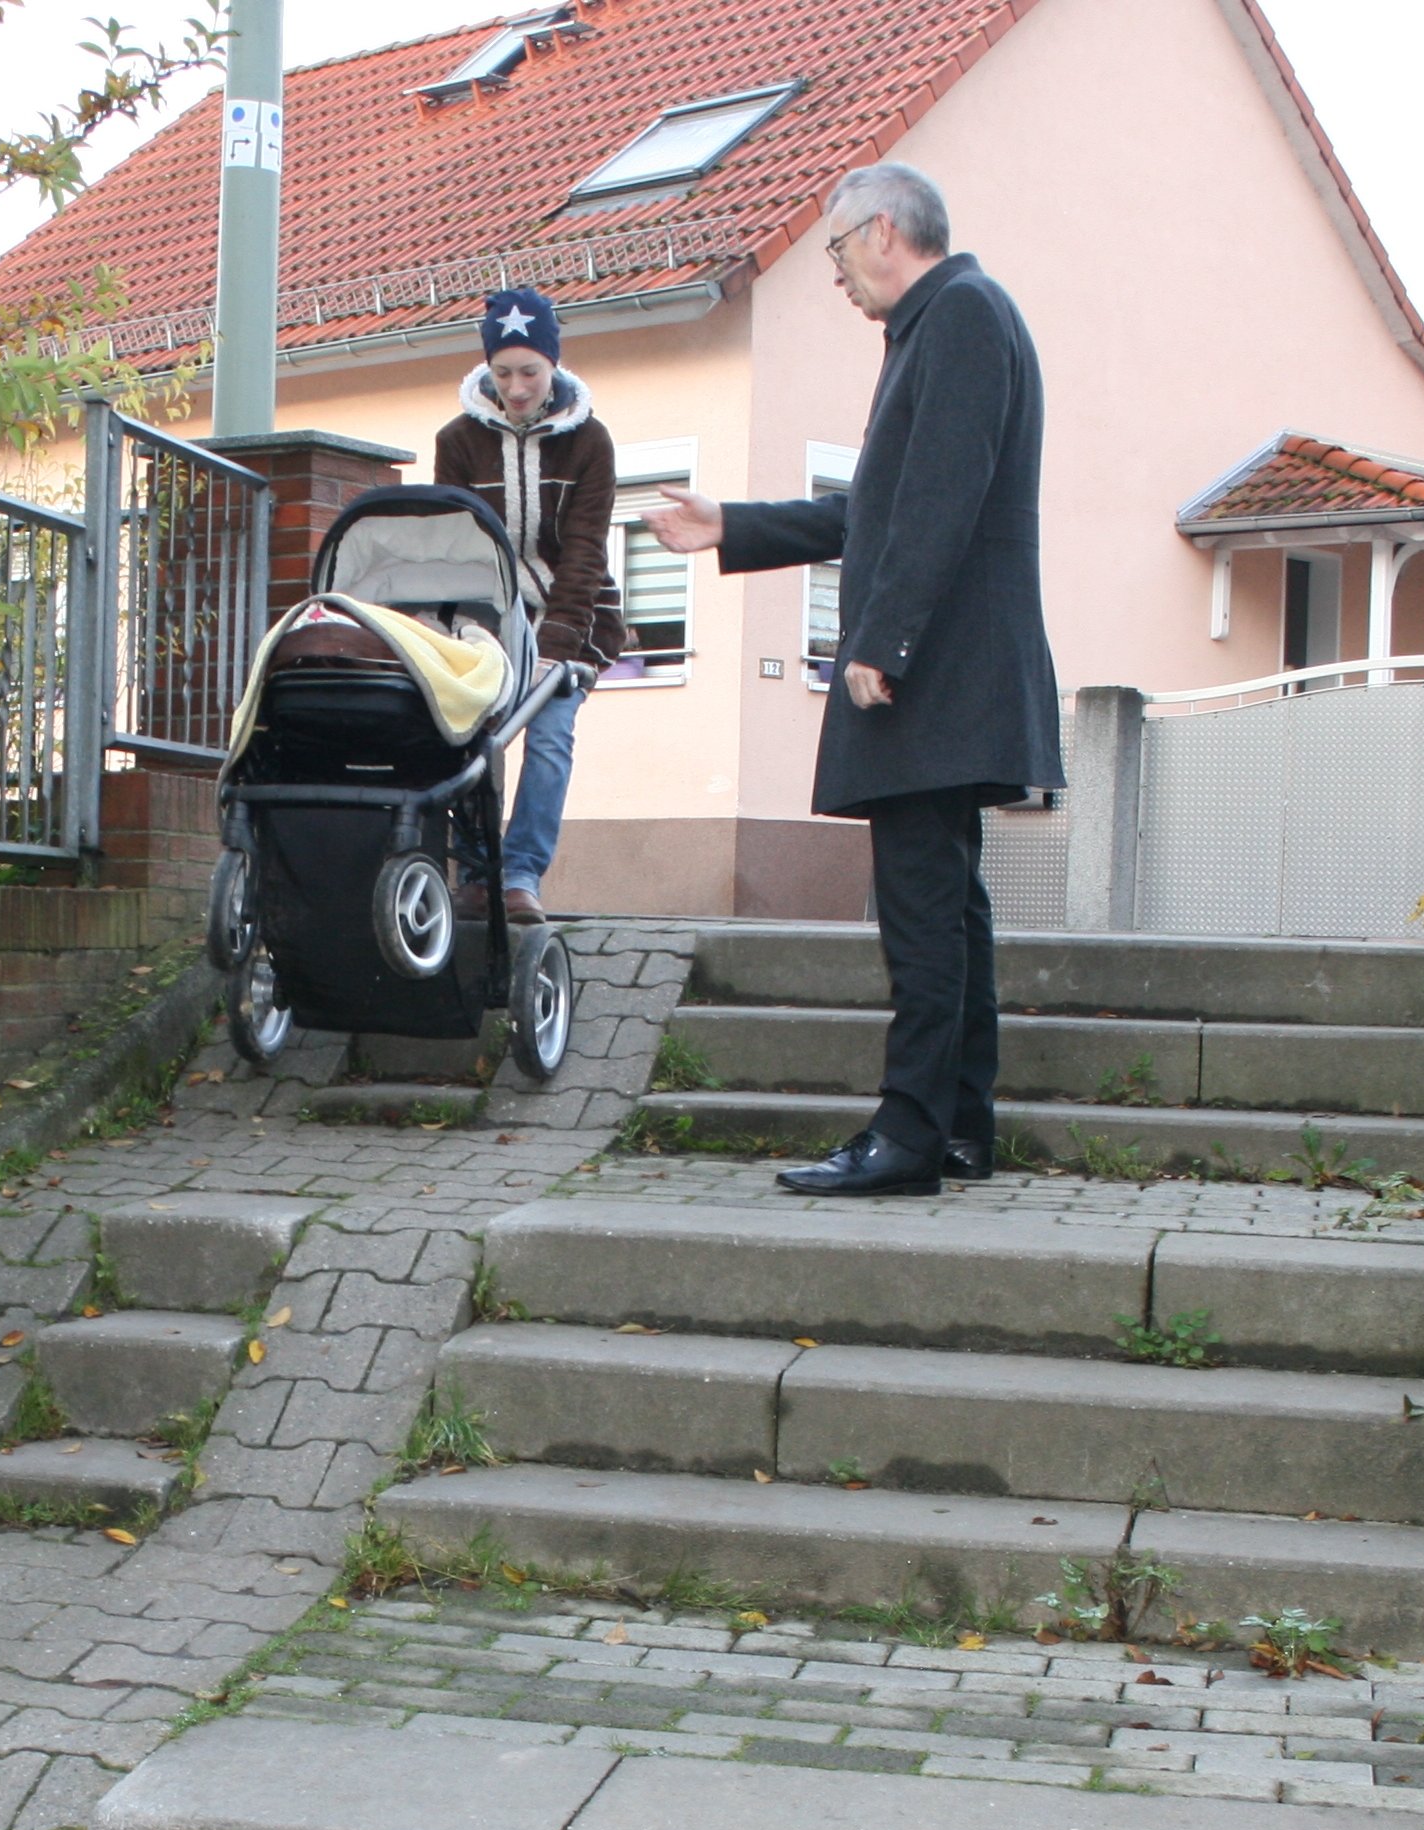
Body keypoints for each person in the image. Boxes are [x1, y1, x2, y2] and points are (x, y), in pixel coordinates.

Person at [641, 164, 1059, 1197]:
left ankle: (908, 1136)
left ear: (881, 230)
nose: (834, 275)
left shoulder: (960, 314)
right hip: (951, 669)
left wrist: (881, 641)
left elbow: (941, 498)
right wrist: (731, 526)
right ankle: (958, 1125)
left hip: (935, 675)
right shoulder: (948, 321)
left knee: (921, 912)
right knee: (949, 905)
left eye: (834, 249)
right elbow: (876, 508)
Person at [433, 288, 621, 926]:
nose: (516, 388)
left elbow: (586, 552)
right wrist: (472, 630)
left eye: (530, 372)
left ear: (553, 365)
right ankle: (475, 875)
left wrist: (557, 645)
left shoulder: (589, 442)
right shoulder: (458, 441)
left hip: (571, 616)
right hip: (483, 615)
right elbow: (458, 545)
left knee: (549, 733)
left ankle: (519, 876)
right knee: (469, 736)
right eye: (503, 372)